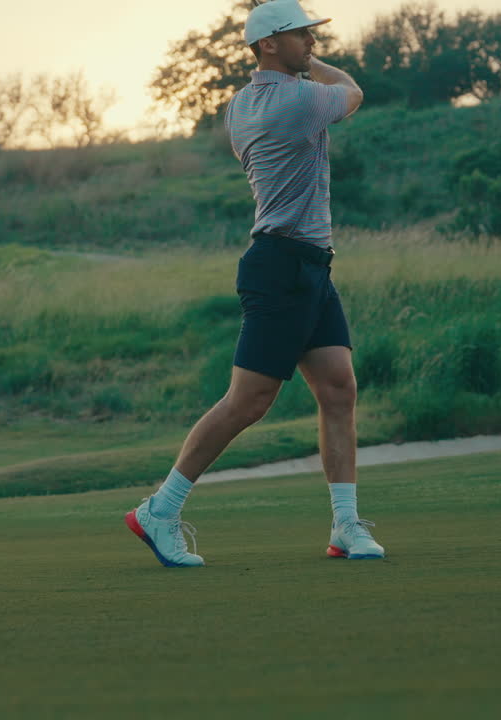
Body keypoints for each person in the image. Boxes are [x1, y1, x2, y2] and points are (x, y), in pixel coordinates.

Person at [124, 0, 384, 567]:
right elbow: (355, 93)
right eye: (301, 36)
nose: (312, 43)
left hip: (309, 264)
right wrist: (318, 68)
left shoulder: (240, 104)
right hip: (282, 265)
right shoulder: (297, 99)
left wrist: (304, 62)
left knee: (338, 387)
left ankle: (345, 525)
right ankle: (159, 511)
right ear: (268, 44)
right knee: (249, 400)